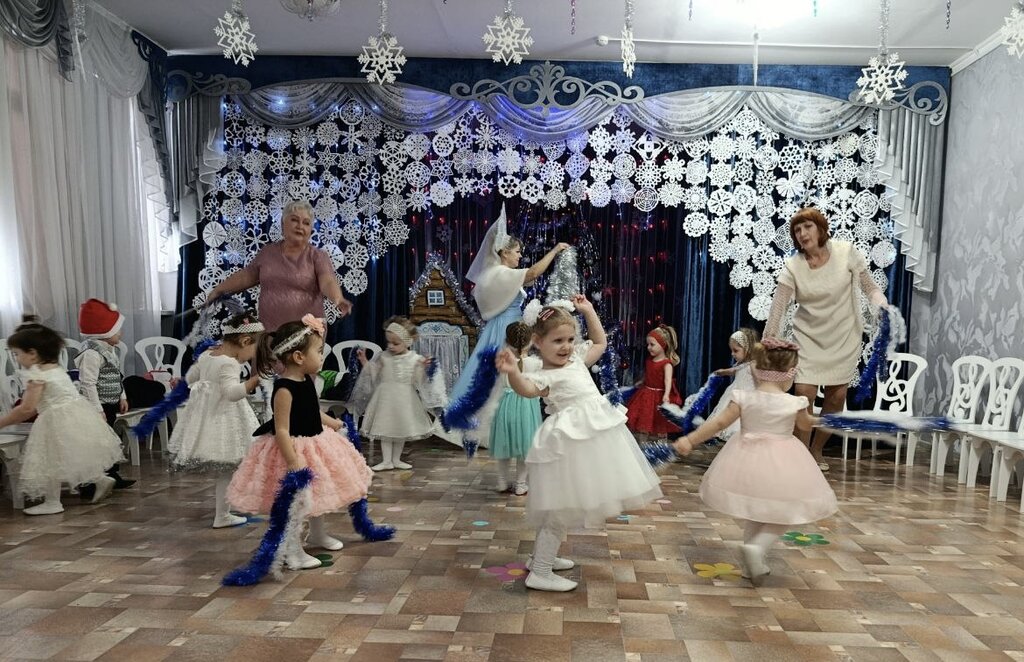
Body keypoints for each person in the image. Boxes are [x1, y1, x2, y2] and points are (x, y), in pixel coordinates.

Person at [495, 295, 663, 592]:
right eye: (558, 341)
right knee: (560, 509)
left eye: (570, 339)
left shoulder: (576, 360)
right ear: (537, 342)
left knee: (559, 509)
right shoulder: (544, 375)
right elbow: (527, 390)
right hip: (567, 446)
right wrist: (513, 373)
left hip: (586, 443)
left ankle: (540, 560)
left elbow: (599, 342)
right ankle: (541, 572)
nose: (566, 346)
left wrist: (588, 310)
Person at [674, 338, 838, 580]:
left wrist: (690, 440)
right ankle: (757, 549)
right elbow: (805, 425)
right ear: (790, 373)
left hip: (745, 458)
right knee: (786, 512)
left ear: (755, 369)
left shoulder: (743, 397)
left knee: (754, 511)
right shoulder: (794, 402)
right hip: (783, 463)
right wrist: (825, 420)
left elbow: (718, 423)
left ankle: (752, 564)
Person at [227, 315, 373, 570]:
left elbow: (312, 411)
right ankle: (292, 550)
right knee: (297, 504)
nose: (322, 357)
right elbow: (282, 429)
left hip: (316, 444)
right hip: (293, 450)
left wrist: (333, 422)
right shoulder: (284, 389)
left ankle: (317, 534)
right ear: (298, 357)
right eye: (318, 352)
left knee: (318, 494)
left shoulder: (306, 381)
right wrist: (292, 460)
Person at [764, 207, 888, 470]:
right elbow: (779, 305)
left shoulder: (846, 252)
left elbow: (869, 286)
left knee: (836, 398)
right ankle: (800, 456)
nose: (802, 233)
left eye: (807, 227)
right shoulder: (793, 266)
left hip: (844, 337)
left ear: (820, 228)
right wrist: (768, 337)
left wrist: (882, 304)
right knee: (803, 394)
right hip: (808, 338)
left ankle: (816, 450)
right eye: (797, 230)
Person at [446, 204, 569, 446]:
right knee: (501, 375)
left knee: (503, 374)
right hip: (505, 328)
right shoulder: (500, 273)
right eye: (517, 252)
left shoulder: (497, 273)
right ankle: (493, 428)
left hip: (508, 325)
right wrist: (554, 251)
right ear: (504, 252)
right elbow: (532, 273)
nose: (520, 256)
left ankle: (506, 426)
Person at [0, 318, 121, 515]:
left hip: (54, 419)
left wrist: (2, 422)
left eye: (17, 354)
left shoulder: (36, 375)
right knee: (73, 454)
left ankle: (52, 502)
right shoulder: (55, 369)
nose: (17, 359)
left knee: (51, 460)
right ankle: (99, 478)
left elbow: (26, 409)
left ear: (32, 354)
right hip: (77, 413)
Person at [167, 311, 266, 528]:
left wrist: (182, 381)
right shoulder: (229, 363)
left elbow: (191, 377)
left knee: (226, 470)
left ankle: (225, 512)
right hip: (225, 419)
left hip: (206, 418)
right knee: (227, 469)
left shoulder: (207, 355)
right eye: (254, 350)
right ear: (244, 341)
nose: (253, 356)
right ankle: (222, 515)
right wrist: (252, 382)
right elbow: (231, 394)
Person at [205, 200, 353, 331]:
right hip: (269, 332)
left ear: (310, 230)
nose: (300, 226)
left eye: (306, 223)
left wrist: (338, 299)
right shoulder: (267, 253)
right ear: (283, 223)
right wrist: (218, 291)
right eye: (294, 220)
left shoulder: (318, 256)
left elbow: (327, 281)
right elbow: (246, 276)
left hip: (306, 336)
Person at [351, 316, 446, 472]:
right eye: (389, 342)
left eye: (396, 343)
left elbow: (419, 380)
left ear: (407, 342)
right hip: (385, 398)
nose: (391, 346)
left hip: (405, 399)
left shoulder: (415, 359)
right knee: (385, 429)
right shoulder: (384, 357)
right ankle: (386, 460)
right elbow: (373, 373)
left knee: (400, 429)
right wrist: (364, 361)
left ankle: (396, 459)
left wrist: (425, 368)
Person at [75, 298, 135, 490]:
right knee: (97, 443)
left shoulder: (109, 350)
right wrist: (97, 409)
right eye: (117, 330)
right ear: (104, 332)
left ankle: (111, 475)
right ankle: (91, 482)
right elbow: (88, 383)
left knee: (110, 441)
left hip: (109, 404)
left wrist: (122, 396)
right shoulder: (92, 354)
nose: (120, 333)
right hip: (97, 406)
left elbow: (116, 375)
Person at [489, 321, 541, 495]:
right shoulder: (536, 363)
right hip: (527, 406)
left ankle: (502, 482)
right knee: (525, 447)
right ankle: (520, 484)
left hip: (505, 405)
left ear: (506, 341)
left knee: (503, 445)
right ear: (531, 341)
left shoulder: (501, 361)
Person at [624, 324, 683, 443]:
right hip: (646, 396)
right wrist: (642, 382)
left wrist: (666, 394)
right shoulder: (649, 360)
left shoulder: (666, 364)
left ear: (663, 345)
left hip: (659, 397)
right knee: (643, 422)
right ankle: (642, 446)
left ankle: (661, 447)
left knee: (661, 424)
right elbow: (649, 375)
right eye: (648, 344)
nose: (648, 347)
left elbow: (668, 380)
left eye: (652, 344)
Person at [706, 327, 760, 443]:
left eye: (736, 351)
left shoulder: (753, 364)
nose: (732, 354)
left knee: (740, 416)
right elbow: (733, 370)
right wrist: (722, 372)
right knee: (728, 412)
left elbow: (759, 380)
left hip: (746, 396)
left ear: (748, 348)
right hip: (734, 394)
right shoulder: (741, 364)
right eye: (732, 350)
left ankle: (737, 433)